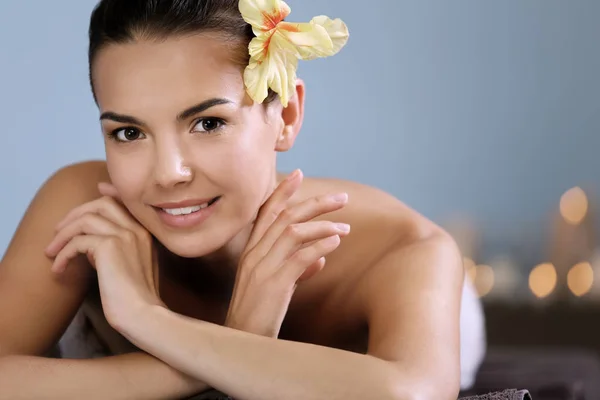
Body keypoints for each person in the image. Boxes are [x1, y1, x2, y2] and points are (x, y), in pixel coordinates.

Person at [0, 0, 486, 399]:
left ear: (287, 115)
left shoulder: (400, 248)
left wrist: (149, 321)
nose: (169, 174)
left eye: (208, 123)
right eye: (129, 132)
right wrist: (221, 350)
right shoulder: (87, 212)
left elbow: (408, 394)